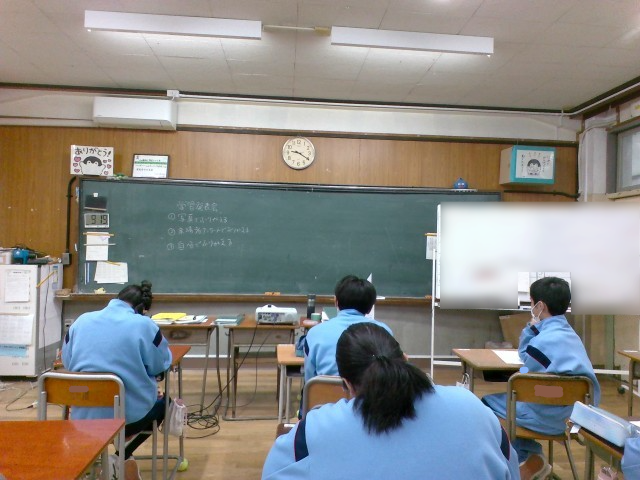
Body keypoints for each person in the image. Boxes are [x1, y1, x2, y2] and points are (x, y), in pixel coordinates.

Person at [263, 323, 520, 479]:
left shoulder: (312, 433)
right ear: (405, 360)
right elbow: (510, 470)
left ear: (347, 384)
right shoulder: (472, 408)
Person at [483, 276, 601, 480]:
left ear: (540, 306)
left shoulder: (542, 341)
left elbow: (525, 364)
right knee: (524, 398)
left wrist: (530, 327)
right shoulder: (572, 335)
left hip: (548, 416)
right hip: (577, 417)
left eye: (531, 303)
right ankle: (531, 457)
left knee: (487, 404)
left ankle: (528, 456)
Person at [62, 280, 172, 480]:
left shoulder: (81, 321)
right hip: (125, 417)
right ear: (142, 310)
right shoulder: (144, 325)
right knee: (165, 403)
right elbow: (160, 365)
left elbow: (68, 363)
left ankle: (103, 458)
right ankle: (121, 455)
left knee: (109, 399)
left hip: (81, 416)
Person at [303, 274, 392, 383]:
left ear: (336, 302)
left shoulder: (315, 333)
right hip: (370, 393)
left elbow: (309, 379)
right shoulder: (384, 331)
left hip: (324, 392)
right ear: (370, 308)